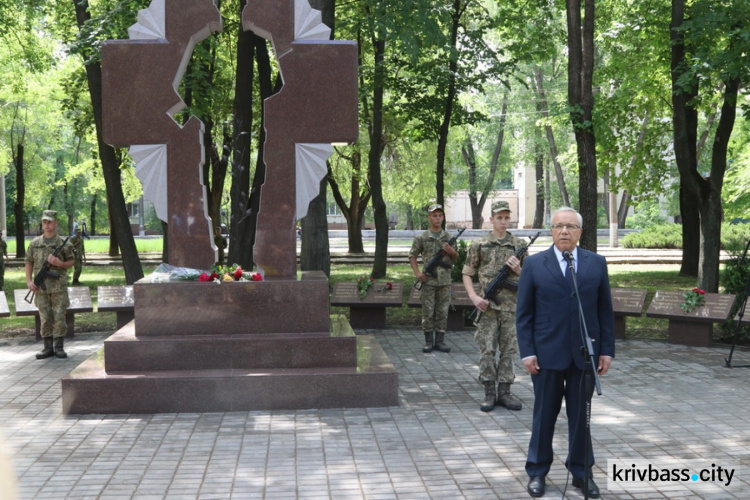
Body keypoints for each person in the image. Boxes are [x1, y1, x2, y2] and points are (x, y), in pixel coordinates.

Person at [516, 206, 615, 498]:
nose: (564, 232)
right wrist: (527, 352)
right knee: (544, 416)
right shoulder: (534, 265)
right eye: (559, 226)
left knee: (581, 417)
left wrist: (606, 350)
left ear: (580, 232)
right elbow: (524, 314)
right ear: (551, 231)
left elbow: (604, 311)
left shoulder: (596, 263)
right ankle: (537, 471)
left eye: (570, 227)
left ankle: (582, 472)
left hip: (584, 354)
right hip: (545, 355)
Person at [462, 200, 525, 412]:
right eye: (499, 218)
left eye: (507, 217)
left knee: (509, 350)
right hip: (486, 308)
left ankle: (505, 393)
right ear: (491, 219)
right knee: (487, 350)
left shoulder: (519, 245)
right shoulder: (480, 244)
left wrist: (518, 271)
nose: (503, 221)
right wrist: (473, 296)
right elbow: (467, 273)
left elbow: (531, 280)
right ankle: (489, 393)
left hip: (511, 308)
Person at [25, 210, 75, 360]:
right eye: (44, 222)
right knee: (45, 317)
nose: (46, 225)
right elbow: (28, 262)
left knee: (59, 316)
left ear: (55, 223)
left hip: (58, 287)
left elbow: (72, 262)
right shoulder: (35, 244)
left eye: (49, 222)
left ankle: (59, 347)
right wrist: (29, 281)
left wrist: (60, 263)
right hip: (41, 287)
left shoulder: (63, 243)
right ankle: (47, 347)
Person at [409, 204, 459, 353]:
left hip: (444, 282)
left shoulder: (449, 238)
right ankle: (428, 341)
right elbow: (412, 256)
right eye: (434, 215)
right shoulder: (422, 237)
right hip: (428, 281)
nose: (437, 218)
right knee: (428, 312)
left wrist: (451, 251)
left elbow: (456, 258)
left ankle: (440, 341)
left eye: (440, 215)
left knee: (442, 312)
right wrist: (417, 273)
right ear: (429, 217)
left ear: (443, 218)